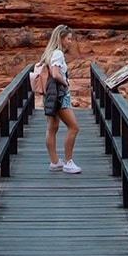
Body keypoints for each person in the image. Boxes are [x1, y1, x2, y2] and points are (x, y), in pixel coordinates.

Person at [41, 24, 80, 174]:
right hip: (59, 95)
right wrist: (65, 83)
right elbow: (56, 74)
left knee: (52, 127)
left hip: (50, 95)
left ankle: (55, 162)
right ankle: (68, 162)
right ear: (61, 38)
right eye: (69, 39)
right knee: (74, 127)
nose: (70, 42)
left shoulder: (49, 53)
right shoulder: (58, 54)